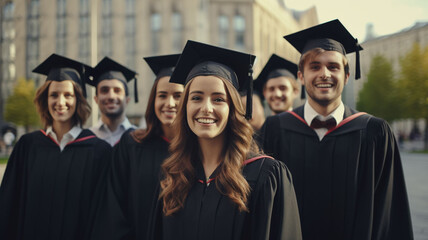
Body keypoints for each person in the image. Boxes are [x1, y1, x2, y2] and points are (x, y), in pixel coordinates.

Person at [261, 19, 413, 240]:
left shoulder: (374, 132)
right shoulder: (275, 129)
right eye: (315, 66)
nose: (324, 74)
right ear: (301, 77)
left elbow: (389, 212)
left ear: (346, 76)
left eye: (333, 66)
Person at [148, 40, 302, 240]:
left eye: (218, 99)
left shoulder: (266, 175)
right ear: (184, 106)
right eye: (196, 98)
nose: (206, 108)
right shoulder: (172, 176)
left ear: (233, 109)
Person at [0, 54, 112, 240]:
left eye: (68, 95)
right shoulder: (28, 146)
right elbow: (8, 205)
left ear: (78, 100)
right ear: (45, 99)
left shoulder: (99, 152)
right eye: (54, 95)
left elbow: (103, 215)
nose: (60, 102)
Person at [90, 54, 183, 240]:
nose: (169, 103)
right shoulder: (132, 146)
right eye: (162, 95)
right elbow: (114, 210)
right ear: (152, 101)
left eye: (178, 96)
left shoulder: (199, 151)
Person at [89, 57, 138, 146]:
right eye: (104, 90)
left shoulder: (139, 137)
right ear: (96, 99)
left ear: (127, 99)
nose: (111, 96)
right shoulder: (87, 137)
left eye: (117, 90)